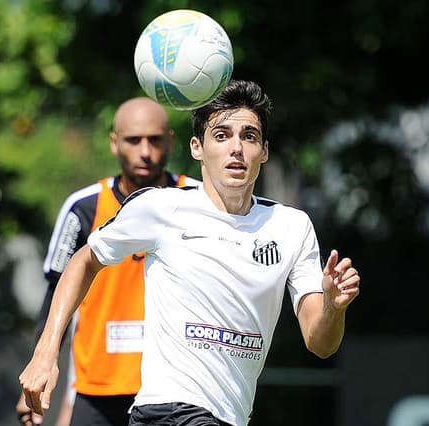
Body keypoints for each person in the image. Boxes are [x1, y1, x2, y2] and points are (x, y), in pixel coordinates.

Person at [18, 80, 361, 426]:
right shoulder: (161, 207)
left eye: (249, 136)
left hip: (230, 418)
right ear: (197, 147)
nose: (237, 148)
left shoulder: (291, 226)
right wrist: (45, 353)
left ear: (265, 151)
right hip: (167, 412)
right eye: (222, 135)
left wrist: (333, 307)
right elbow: (84, 260)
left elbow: (321, 343)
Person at [15, 96, 198, 426]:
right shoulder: (83, 207)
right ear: (115, 144)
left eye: (154, 140)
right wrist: (41, 364)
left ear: (170, 141)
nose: (145, 151)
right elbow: (56, 292)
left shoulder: (197, 200)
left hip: (175, 390)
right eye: (133, 140)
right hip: (97, 390)